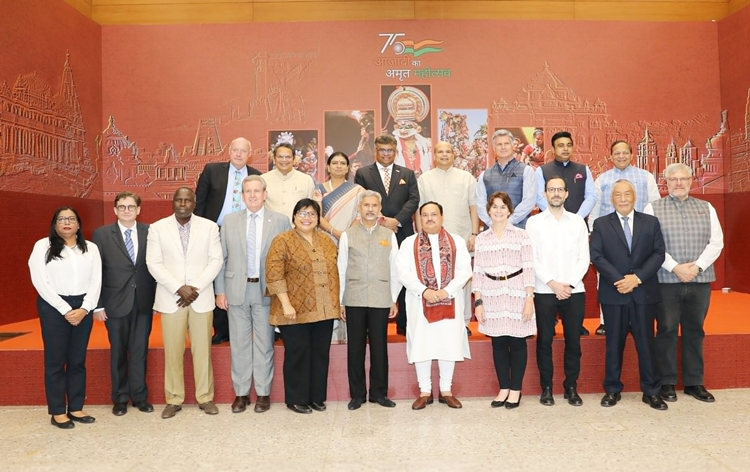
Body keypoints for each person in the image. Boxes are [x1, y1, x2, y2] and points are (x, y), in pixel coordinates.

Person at [644, 163, 724, 403]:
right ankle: (667, 382)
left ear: (691, 181)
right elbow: (651, 245)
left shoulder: (706, 208)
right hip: (667, 280)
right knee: (667, 329)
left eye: (683, 179)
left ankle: (694, 382)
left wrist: (697, 267)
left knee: (695, 331)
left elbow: (716, 243)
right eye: (673, 179)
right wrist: (676, 267)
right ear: (665, 183)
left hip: (699, 281)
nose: (678, 183)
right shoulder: (653, 208)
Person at [214, 176, 291, 414]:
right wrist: (220, 291)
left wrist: (283, 293)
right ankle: (241, 393)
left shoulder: (280, 221)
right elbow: (221, 258)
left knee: (264, 345)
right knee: (238, 344)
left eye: (257, 191)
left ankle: (264, 394)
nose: (253, 195)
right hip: (236, 289)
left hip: (266, 291)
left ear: (265, 194)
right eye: (248, 191)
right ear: (241, 195)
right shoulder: (229, 221)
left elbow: (287, 261)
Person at [146, 188, 223, 419]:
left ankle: (206, 397)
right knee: (173, 351)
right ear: (173, 202)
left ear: (194, 203)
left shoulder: (209, 227)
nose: (183, 203)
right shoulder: (157, 228)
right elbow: (154, 263)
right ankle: (173, 399)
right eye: (179, 200)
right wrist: (178, 287)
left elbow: (215, 260)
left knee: (203, 351)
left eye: (187, 200)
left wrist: (195, 287)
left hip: (201, 298)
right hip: (172, 299)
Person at [591, 180, 667, 410]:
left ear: (635, 197)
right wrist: (620, 280)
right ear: (611, 199)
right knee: (613, 344)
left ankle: (652, 392)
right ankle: (612, 390)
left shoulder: (650, 222)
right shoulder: (601, 224)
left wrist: (637, 278)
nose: (623, 198)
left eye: (627, 194)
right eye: (618, 195)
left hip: (644, 292)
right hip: (614, 293)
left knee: (646, 344)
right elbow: (597, 256)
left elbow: (658, 253)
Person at [28, 207, 102, 429]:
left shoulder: (91, 248)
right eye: (62, 219)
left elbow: (96, 280)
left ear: (79, 224)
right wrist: (64, 309)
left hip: (83, 307)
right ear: (55, 224)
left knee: (77, 360)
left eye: (71, 219)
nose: (66, 222)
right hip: (53, 306)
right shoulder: (43, 246)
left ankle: (76, 407)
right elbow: (40, 281)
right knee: (56, 361)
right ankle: (58, 411)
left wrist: (85, 307)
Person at [266, 198, 340, 414]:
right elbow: (274, 274)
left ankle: (316, 397)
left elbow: (335, 273)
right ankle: (296, 398)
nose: (307, 218)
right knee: (298, 353)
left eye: (312, 214)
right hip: (293, 309)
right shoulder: (282, 241)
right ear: (294, 217)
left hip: (324, 308)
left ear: (318, 219)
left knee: (320, 353)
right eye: (302, 213)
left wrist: (336, 303)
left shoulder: (327, 241)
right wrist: (286, 304)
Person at [396, 202, 472, 410]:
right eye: (425, 215)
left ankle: (446, 390)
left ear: (442, 217)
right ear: (419, 219)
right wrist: (425, 291)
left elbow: (465, 271)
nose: (429, 218)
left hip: (451, 300)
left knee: (448, 343)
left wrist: (446, 292)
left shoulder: (456, 241)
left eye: (434, 215)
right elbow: (403, 273)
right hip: (419, 301)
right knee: (422, 343)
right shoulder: (408, 244)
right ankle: (425, 391)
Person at [526, 177, 590, 406]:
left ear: (566, 194)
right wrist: (552, 283)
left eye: (559, 190)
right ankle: (546, 388)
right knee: (545, 341)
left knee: (573, 342)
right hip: (545, 290)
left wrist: (569, 285)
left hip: (574, 291)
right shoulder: (534, 223)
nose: (555, 193)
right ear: (544, 194)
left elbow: (585, 258)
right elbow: (532, 258)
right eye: (551, 190)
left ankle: (571, 387)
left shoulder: (577, 222)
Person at [92, 192, 157, 416]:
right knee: (118, 351)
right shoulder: (101, 235)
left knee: (139, 351)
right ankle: (120, 398)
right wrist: (98, 305)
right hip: (114, 303)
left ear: (139, 209)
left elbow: (157, 267)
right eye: (122, 207)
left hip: (143, 303)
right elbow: (96, 272)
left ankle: (140, 397)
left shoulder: (151, 232)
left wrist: (157, 300)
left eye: (131, 207)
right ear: (115, 210)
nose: (126, 210)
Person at [589, 140, 661, 336]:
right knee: (605, 278)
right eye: (616, 153)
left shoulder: (645, 177)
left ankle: (635, 319)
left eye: (625, 153)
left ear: (632, 155)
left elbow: (655, 204)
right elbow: (595, 209)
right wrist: (593, 233)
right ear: (610, 156)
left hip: (640, 239)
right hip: (610, 238)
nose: (621, 156)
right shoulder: (602, 179)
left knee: (639, 277)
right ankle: (606, 321)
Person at [337, 191, 401, 410]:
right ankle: (357, 395)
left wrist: (393, 298)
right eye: (366, 205)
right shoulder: (347, 235)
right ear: (359, 208)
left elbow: (395, 268)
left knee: (379, 348)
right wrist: (341, 300)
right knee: (355, 348)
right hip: (354, 297)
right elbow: (341, 268)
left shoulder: (389, 235)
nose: (370, 209)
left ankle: (379, 394)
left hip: (381, 297)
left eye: (374, 205)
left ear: (380, 208)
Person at [195, 137, 262, 345]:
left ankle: (241, 326)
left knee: (239, 275)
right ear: (229, 150)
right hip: (214, 229)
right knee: (217, 275)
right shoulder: (212, 170)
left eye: (243, 150)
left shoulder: (257, 176)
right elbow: (200, 201)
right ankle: (221, 328)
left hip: (245, 229)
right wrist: (198, 230)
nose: (239, 154)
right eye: (235, 150)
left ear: (249, 153)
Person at [472, 192, 536, 409]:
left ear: (510, 211)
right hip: (491, 293)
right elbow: (478, 271)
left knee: (517, 342)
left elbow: (529, 268)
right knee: (498, 342)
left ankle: (515, 389)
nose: (498, 211)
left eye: (503, 207)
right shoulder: (482, 239)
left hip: (517, 291)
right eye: (494, 207)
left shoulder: (521, 235)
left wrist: (529, 298)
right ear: (488, 211)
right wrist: (478, 302)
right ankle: (503, 388)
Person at [355, 134, 420, 336]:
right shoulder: (363, 173)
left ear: (395, 151)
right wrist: (382, 221)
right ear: (376, 151)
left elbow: (413, 199)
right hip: (373, 232)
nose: (386, 154)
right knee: (377, 274)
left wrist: (396, 220)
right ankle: (375, 325)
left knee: (404, 273)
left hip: (403, 231)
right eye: (382, 150)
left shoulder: (407, 174)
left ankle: (404, 323)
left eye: (389, 150)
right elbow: (363, 200)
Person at [535, 131, 597, 335]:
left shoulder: (583, 169)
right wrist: (553, 217)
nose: (565, 148)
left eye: (568, 145)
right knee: (550, 260)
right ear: (553, 149)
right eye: (560, 145)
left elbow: (591, 196)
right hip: (548, 224)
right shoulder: (542, 171)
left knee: (573, 260)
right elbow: (540, 197)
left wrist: (575, 218)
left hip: (575, 226)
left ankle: (574, 323)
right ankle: (550, 322)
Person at [417, 141, 479, 335]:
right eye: (440, 152)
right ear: (434, 156)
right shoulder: (424, 179)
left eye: (448, 151)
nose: (444, 155)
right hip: (431, 237)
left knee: (463, 278)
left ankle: (465, 322)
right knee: (434, 277)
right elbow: (419, 210)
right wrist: (421, 236)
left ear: (454, 155)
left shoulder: (466, 177)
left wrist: (475, 233)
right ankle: (435, 318)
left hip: (461, 234)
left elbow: (473, 207)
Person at [313, 151, 366, 343]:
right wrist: (337, 233)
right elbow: (316, 216)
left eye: (343, 163)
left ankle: (348, 333)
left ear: (348, 168)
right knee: (328, 286)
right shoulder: (319, 189)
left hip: (350, 245)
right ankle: (332, 333)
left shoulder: (358, 191)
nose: (338, 166)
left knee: (346, 285)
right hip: (324, 243)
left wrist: (346, 238)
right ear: (327, 167)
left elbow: (361, 217)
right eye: (334, 163)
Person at [476, 129, 536, 229]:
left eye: (506, 143)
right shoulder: (485, 175)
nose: (503, 147)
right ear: (494, 148)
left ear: (513, 146)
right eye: (499, 144)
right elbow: (480, 205)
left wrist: (508, 222)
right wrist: (492, 223)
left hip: (518, 229)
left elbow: (529, 201)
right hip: (492, 230)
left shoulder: (526, 170)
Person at [262, 143, 317, 224]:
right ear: (273, 159)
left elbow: (312, 210)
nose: (284, 160)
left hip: (298, 231)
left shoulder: (306, 180)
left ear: (294, 159)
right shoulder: (263, 179)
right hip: (271, 231)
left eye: (288, 157)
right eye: (280, 157)